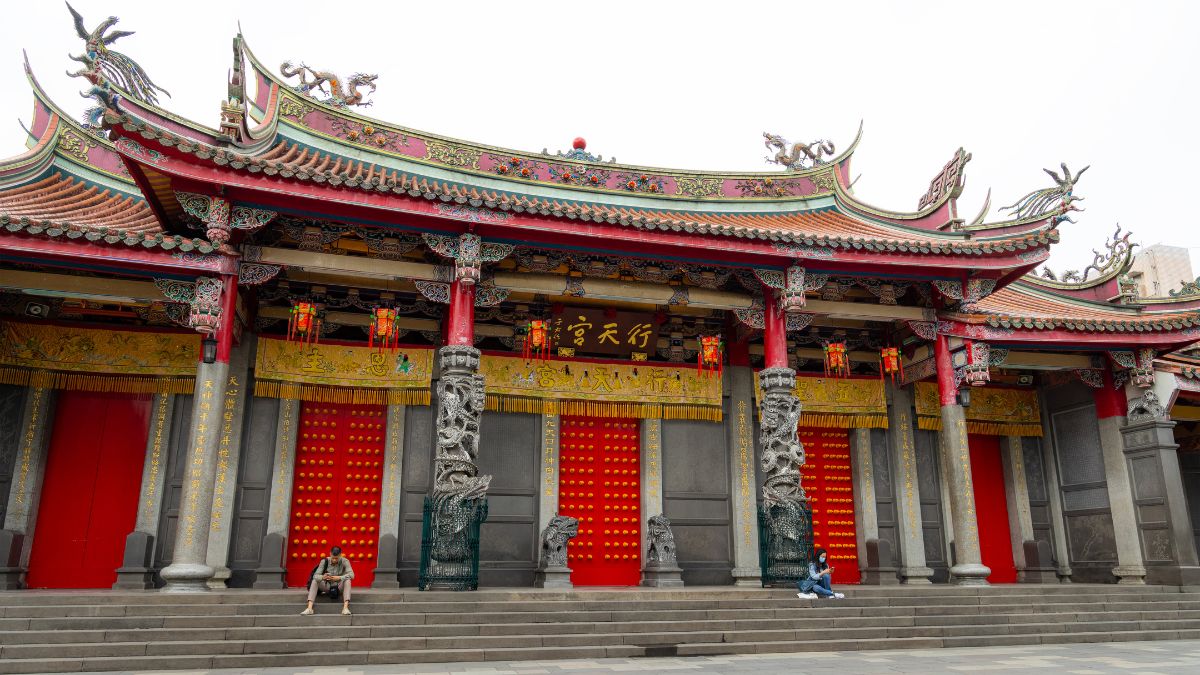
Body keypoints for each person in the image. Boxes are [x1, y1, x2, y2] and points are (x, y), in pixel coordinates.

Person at [301, 546, 355, 615]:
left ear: (340, 555)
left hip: (339, 587)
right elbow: (315, 575)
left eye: (337, 558)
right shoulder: (324, 561)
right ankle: (309, 608)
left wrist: (339, 578)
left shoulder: (345, 561)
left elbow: (352, 575)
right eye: (333, 558)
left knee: (348, 580)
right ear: (330, 554)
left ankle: (345, 608)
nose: (334, 560)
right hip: (326, 586)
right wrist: (323, 577)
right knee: (315, 580)